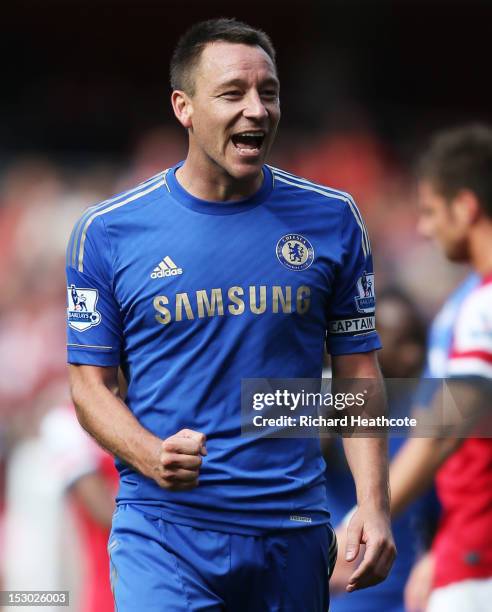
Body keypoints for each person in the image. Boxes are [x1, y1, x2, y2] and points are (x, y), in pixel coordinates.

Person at [66, 18, 395, 611]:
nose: (257, 110)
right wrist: (148, 452)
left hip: (290, 528)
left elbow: (357, 375)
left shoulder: (333, 219)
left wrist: (373, 502)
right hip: (163, 530)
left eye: (268, 93)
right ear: (184, 107)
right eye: (232, 94)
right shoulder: (109, 231)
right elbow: (89, 385)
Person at [389, 125, 492, 611]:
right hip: (465, 543)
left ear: (465, 207)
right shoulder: (468, 300)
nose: (425, 230)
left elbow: (446, 429)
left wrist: (369, 513)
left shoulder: (482, 307)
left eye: (430, 212)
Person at [327, 288, 431, 612]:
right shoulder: (330, 402)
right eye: (396, 339)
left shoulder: (426, 422)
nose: (412, 354)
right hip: (337, 593)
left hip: (404, 599)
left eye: (416, 339)